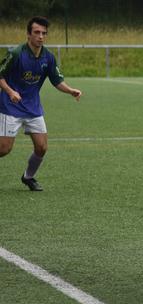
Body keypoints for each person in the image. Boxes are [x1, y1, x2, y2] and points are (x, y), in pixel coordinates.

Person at [0, 16, 82, 192]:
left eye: (44, 33)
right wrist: (10, 92)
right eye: (36, 32)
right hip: (10, 107)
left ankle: (28, 177)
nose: (41, 36)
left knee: (42, 147)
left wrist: (70, 90)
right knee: (4, 149)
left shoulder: (48, 57)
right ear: (28, 34)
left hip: (33, 108)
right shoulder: (15, 54)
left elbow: (56, 80)